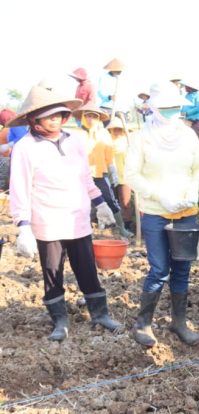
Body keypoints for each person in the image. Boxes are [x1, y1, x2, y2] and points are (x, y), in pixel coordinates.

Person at [8, 85, 120, 341]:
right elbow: (19, 188)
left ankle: (100, 314)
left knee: (87, 269)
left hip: (77, 219)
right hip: (47, 222)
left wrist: (100, 203)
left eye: (58, 114)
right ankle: (59, 320)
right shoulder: (25, 148)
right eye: (48, 116)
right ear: (34, 119)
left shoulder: (74, 142)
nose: (55, 119)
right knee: (52, 272)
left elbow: (86, 178)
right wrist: (23, 226)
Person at [125, 82, 199, 348]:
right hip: (156, 212)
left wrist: (193, 189)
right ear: (153, 108)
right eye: (165, 107)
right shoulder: (142, 138)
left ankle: (179, 322)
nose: (171, 111)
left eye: (174, 107)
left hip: (185, 212)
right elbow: (131, 174)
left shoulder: (188, 135)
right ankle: (143, 323)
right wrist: (160, 196)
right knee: (159, 269)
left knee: (182, 268)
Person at [72, 102, 132, 238]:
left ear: (98, 118)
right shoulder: (77, 135)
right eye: (88, 116)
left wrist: (112, 171)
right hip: (81, 174)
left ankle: (121, 228)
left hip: (100, 172)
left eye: (94, 116)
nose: (90, 119)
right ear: (83, 117)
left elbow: (109, 155)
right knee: (83, 202)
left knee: (110, 200)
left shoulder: (104, 134)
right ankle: (85, 231)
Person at [106, 117, 134, 232]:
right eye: (114, 129)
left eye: (119, 129)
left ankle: (128, 225)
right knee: (112, 201)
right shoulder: (107, 141)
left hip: (124, 176)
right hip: (110, 176)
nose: (117, 131)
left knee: (125, 202)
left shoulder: (128, 142)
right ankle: (114, 225)